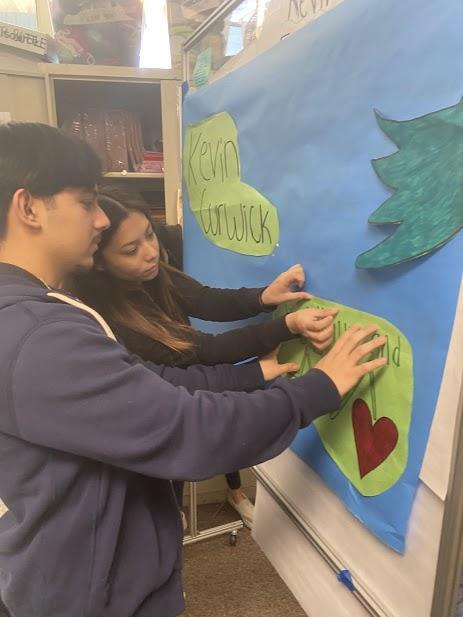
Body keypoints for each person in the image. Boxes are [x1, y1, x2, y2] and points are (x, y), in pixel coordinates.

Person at [0, 122, 386, 617]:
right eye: (85, 202)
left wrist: (264, 326)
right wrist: (319, 387)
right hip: (96, 596)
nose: (99, 220)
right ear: (29, 208)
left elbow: (173, 361)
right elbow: (190, 427)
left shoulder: (39, 313)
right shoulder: (42, 336)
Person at [73, 186, 340, 527]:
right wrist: (285, 328)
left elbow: (206, 299)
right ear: (99, 262)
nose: (151, 252)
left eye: (150, 235)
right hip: (157, 423)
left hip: (180, 404)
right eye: (130, 250)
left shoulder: (154, 274)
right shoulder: (114, 323)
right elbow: (203, 352)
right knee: (161, 502)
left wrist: (262, 297)